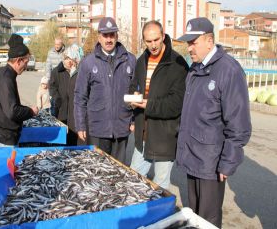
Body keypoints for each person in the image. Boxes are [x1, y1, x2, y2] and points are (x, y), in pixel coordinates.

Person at [176, 17, 252, 228]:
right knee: (193, 215)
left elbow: (239, 124)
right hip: (193, 157)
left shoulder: (229, 70)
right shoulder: (195, 69)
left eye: (193, 42)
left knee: (208, 220)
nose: (189, 47)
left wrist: (228, 162)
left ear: (209, 41)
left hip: (211, 162)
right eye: (188, 43)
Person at [129, 21, 188, 190]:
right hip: (143, 134)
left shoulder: (177, 63)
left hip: (165, 136)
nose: (153, 45)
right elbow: (134, 85)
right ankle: (137, 215)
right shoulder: (142, 60)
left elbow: (176, 103)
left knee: (159, 187)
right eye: (148, 41)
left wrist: (148, 104)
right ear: (143, 40)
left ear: (163, 36)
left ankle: (158, 216)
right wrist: (134, 95)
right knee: (133, 180)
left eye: (156, 40)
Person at [74, 17, 136, 163]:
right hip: (97, 128)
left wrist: (133, 119)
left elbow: (136, 93)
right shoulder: (88, 63)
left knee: (119, 171)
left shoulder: (130, 61)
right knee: (98, 172)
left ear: (117, 36)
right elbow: (80, 96)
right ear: (99, 37)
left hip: (121, 127)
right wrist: (80, 125)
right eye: (105, 35)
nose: (109, 39)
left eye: (112, 35)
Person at [0, 34, 39, 147]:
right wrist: (30, 111)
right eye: (25, 63)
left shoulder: (5, 73)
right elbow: (12, 111)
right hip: (4, 138)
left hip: (2, 134)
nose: (26, 66)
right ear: (18, 60)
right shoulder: (6, 78)